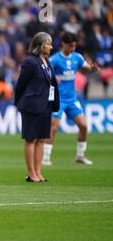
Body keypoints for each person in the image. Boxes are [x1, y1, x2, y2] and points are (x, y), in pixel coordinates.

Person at [42, 31, 97, 166]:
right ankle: (46, 157)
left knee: (83, 126)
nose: (73, 48)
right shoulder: (55, 59)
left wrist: (92, 68)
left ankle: (80, 156)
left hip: (72, 99)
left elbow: (86, 67)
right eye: (71, 46)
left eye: (74, 46)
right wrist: (53, 78)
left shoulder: (77, 57)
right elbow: (44, 74)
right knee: (53, 127)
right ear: (63, 44)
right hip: (58, 99)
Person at [14, 32, 60, 182]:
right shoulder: (30, 62)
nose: (51, 47)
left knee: (41, 139)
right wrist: (20, 103)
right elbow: (20, 84)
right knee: (30, 139)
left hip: (45, 105)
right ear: (39, 46)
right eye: (48, 44)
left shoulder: (47, 62)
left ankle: (38, 172)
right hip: (31, 106)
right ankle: (31, 172)